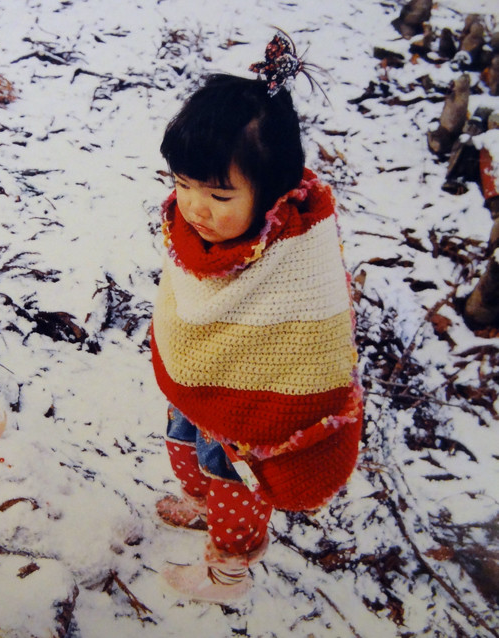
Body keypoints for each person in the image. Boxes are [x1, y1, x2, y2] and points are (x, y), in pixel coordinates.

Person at [150, 32, 363, 603]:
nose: (194, 206)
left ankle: (228, 574)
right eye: (182, 184)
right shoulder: (195, 231)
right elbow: (190, 303)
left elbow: (310, 356)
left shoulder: (296, 257)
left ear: (270, 192)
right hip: (197, 392)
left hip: (249, 429)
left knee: (233, 491)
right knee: (185, 449)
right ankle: (198, 505)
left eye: (219, 196)